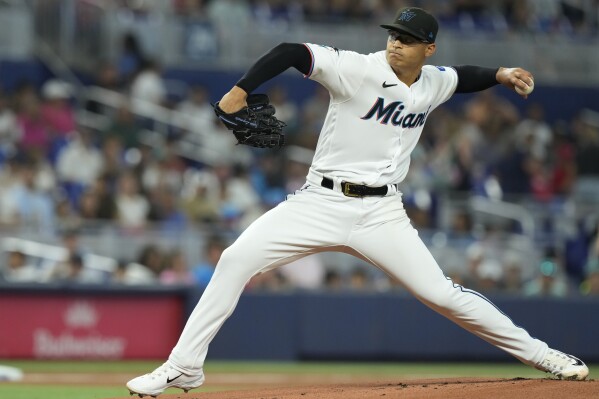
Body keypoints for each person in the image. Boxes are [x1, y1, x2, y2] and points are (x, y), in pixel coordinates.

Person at [127, 7, 589, 396]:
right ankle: (185, 366)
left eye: (408, 40)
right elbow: (291, 51)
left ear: (428, 48)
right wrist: (240, 89)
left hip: (381, 213)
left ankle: (542, 354)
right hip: (319, 202)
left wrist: (501, 74)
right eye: (393, 35)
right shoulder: (357, 68)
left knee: (443, 295)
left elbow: (460, 78)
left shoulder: (431, 81)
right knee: (234, 259)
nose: (396, 44)